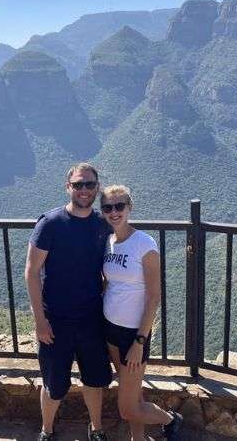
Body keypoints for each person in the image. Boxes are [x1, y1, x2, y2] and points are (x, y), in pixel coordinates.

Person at [25, 163, 112, 441]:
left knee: (95, 379)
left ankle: (96, 428)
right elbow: (31, 271)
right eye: (78, 185)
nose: (84, 190)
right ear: (68, 187)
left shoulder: (102, 223)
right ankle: (46, 430)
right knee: (54, 383)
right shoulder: (50, 223)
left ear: (97, 187)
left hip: (92, 319)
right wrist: (40, 321)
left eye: (89, 185)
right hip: (56, 320)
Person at [100, 184, 183, 440]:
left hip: (133, 334)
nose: (114, 212)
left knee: (127, 409)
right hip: (109, 327)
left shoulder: (144, 244)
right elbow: (110, 283)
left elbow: (154, 295)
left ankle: (170, 419)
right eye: (108, 207)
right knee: (133, 394)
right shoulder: (109, 241)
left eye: (119, 206)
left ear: (129, 207)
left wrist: (140, 340)